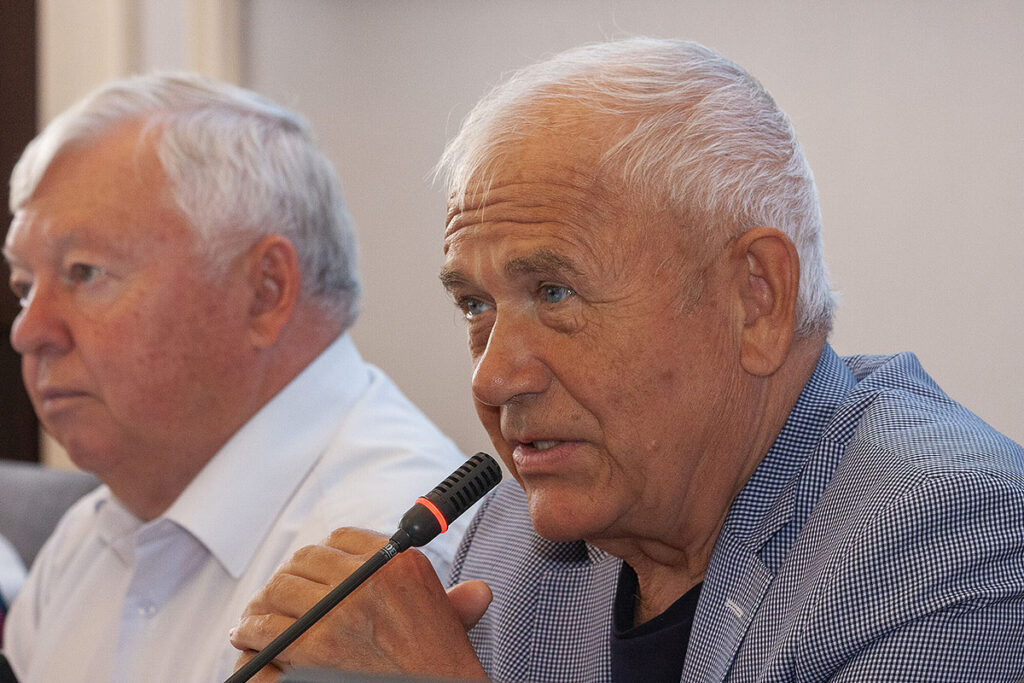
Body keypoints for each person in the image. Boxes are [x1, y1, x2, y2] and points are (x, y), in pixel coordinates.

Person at [229, 38, 1024, 682]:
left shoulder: (952, 534)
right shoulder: (511, 540)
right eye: (475, 306)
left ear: (756, 299)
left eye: (554, 292)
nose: (492, 378)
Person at [1, 72, 467, 682]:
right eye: (24, 287)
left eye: (84, 273)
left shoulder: (391, 557)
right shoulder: (84, 540)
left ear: (265, 290)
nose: (29, 331)